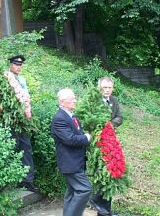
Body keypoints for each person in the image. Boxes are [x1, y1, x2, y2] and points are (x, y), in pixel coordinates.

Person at [51, 88, 92, 216]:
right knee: (84, 189)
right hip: (70, 164)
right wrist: (86, 138)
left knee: (72, 192)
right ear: (62, 102)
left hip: (76, 162)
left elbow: (76, 133)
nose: (75, 100)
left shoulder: (71, 116)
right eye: (72, 99)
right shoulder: (59, 118)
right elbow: (70, 139)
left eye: (75, 98)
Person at [90, 77, 123, 216]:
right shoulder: (93, 100)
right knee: (100, 172)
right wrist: (100, 126)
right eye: (105, 87)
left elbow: (120, 117)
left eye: (109, 87)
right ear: (99, 88)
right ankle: (95, 201)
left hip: (111, 140)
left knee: (112, 172)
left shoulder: (114, 100)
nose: (107, 90)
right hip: (97, 142)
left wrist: (110, 125)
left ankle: (106, 211)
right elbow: (87, 117)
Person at [5, 55, 37, 192]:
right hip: (11, 119)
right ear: (11, 65)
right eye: (16, 64)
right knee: (12, 147)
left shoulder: (22, 79)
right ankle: (12, 181)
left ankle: (28, 180)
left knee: (26, 147)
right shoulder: (6, 78)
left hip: (23, 119)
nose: (18, 67)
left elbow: (26, 98)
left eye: (20, 65)